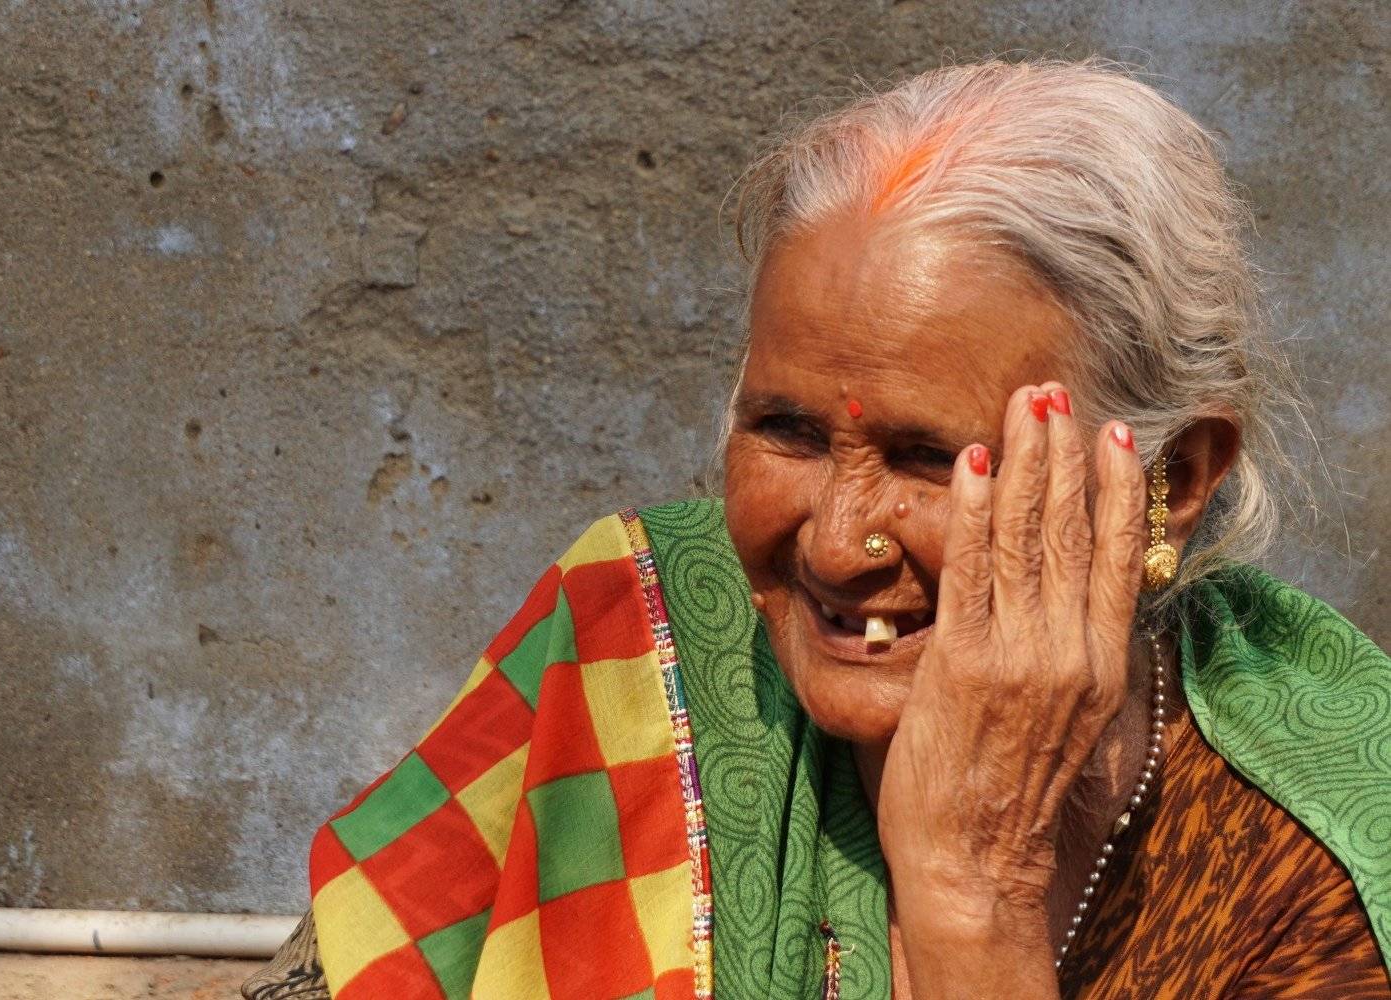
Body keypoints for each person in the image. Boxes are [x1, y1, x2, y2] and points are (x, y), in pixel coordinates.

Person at [244, 57, 1391, 999]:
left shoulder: (1313, 856)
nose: (838, 545)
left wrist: (972, 896)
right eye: (787, 432)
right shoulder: (625, 644)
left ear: (1172, 479)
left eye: (931, 458)